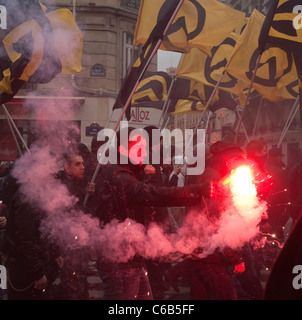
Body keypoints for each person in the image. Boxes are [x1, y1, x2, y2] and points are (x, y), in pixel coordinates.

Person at [94, 127, 212, 300]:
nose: (144, 153)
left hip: (132, 256)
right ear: (122, 150)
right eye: (139, 148)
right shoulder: (117, 175)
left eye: (145, 148)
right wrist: (199, 190)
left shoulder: (129, 173)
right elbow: (148, 194)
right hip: (119, 260)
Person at [3, 186, 63, 300]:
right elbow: (24, 240)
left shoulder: (38, 193)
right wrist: (37, 273)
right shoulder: (27, 198)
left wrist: (53, 252)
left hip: (35, 265)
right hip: (24, 272)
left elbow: (42, 231)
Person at [56, 148, 95, 300]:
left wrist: (88, 195)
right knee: (72, 289)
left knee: (80, 286)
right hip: (69, 247)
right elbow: (70, 215)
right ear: (67, 167)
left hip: (79, 247)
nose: (82, 167)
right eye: (77, 164)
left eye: (83, 163)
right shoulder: (63, 187)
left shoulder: (78, 184)